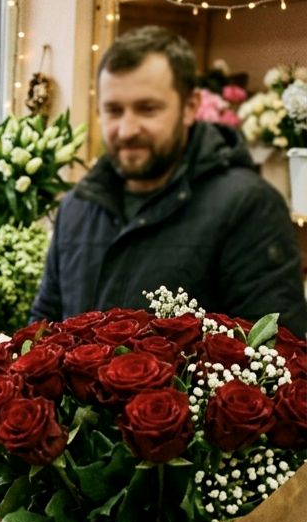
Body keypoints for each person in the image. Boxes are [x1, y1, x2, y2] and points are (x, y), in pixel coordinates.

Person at [30, 26, 306, 339]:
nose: (127, 128)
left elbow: (279, 358)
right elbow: (41, 331)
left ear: (190, 108)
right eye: (113, 110)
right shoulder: (76, 207)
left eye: (147, 108)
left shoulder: (248, 206)